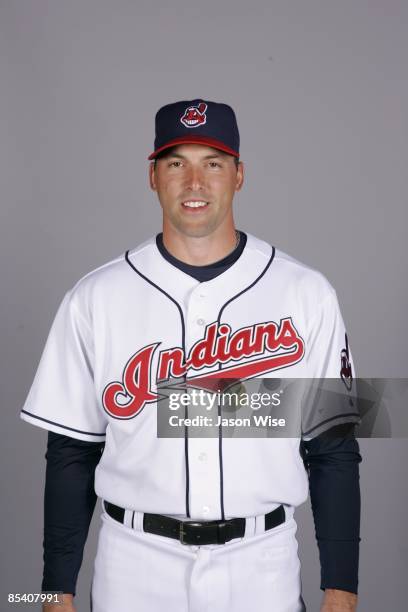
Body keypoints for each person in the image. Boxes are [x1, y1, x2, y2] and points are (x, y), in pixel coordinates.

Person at [20, 99, 362, 612]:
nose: (195, 182)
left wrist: (342, 587)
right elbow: (72, 452)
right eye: (177, 163)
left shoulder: (305, 291)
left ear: (239, 175)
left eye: (214, 163)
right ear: (153, 176)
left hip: (260, 566)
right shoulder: (95, 297)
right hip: (134, 569)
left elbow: (332, 448)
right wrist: (54, 589)